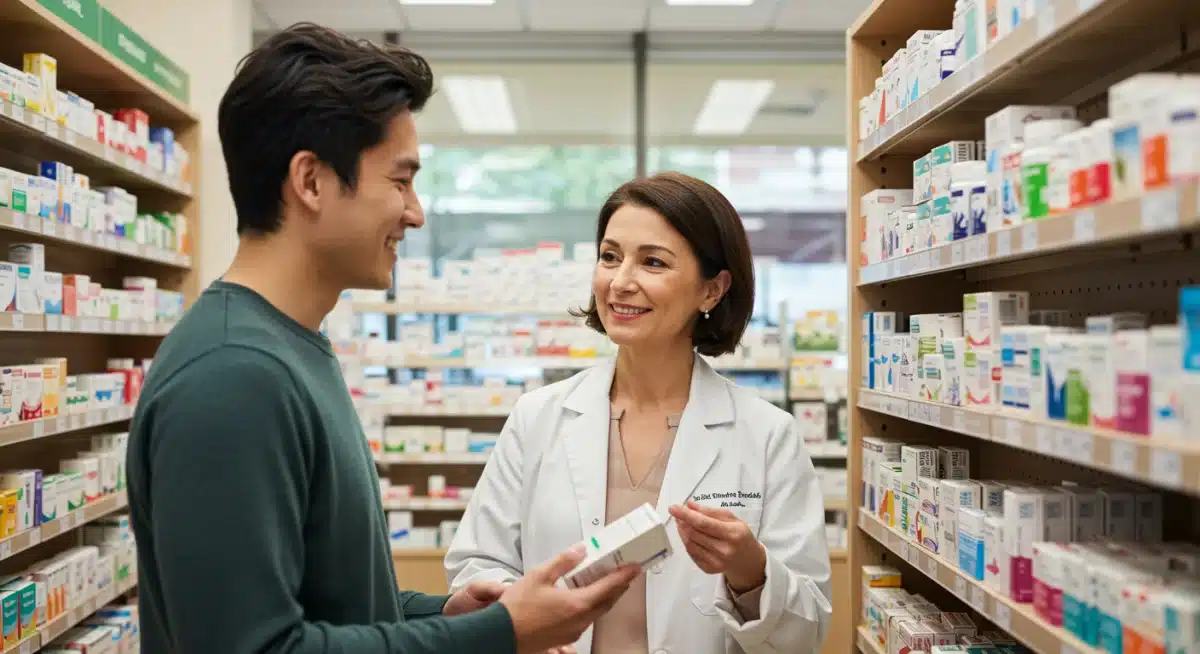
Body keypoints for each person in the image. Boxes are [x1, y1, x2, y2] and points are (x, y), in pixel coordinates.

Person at [125, 23, 639, 654]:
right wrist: (499, 637)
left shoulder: (291, 349)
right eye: (400, 181)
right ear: (311, 181)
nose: (416, 211)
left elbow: (330, 599)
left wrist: (451, 614)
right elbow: (256, 648)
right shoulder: (233, 375)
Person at [444, 172, 834, 653]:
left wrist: (751, 571)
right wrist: (518, 620)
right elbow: (478, 564)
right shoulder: (538, 417)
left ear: (712, 291)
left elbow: (808, 631)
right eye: (610, 256)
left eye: (652, 262)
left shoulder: (767, 434)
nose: (620, 281)